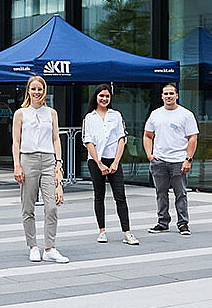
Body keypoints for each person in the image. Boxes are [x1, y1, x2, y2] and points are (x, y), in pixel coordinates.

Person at [13, 76, 68, 264]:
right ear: (28, 90)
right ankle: (33, 246)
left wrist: (58, 164)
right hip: (28, 159)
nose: (37, 92)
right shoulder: (21, 113)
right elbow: (16, 141)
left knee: (51, 206)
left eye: (40, 89)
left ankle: (50, 247)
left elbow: (55, 139)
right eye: (34, 89)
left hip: (48, 159)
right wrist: (17, 165)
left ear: (44, 90)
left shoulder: (51, 113)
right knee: (28, 206)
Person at [82, 84, 138, 245]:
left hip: (113, 160)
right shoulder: (89, 117)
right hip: (95, 161)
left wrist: (115, 162)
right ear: (96, 97)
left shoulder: (116, 115)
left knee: (120, 196)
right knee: (99, 196)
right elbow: (88, 141)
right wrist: (99, 164)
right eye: (101, 96)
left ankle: (127, 233)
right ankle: (102, 231)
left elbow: (122, 138)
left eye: (107, 96)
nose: (104, 99)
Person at [143, 84, 199, 235]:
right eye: (166, 94)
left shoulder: (186, 114)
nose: (168, 96)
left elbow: (192, 137)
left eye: (171, 93)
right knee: (161, 193)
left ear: (177, 95)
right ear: (161, 96)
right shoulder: (155, 114)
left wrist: (188, 159)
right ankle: (162, 222)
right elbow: (148, 135)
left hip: (178, 161)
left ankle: (183, 224)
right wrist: (149, 155)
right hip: (159, 160)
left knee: (180, 193)